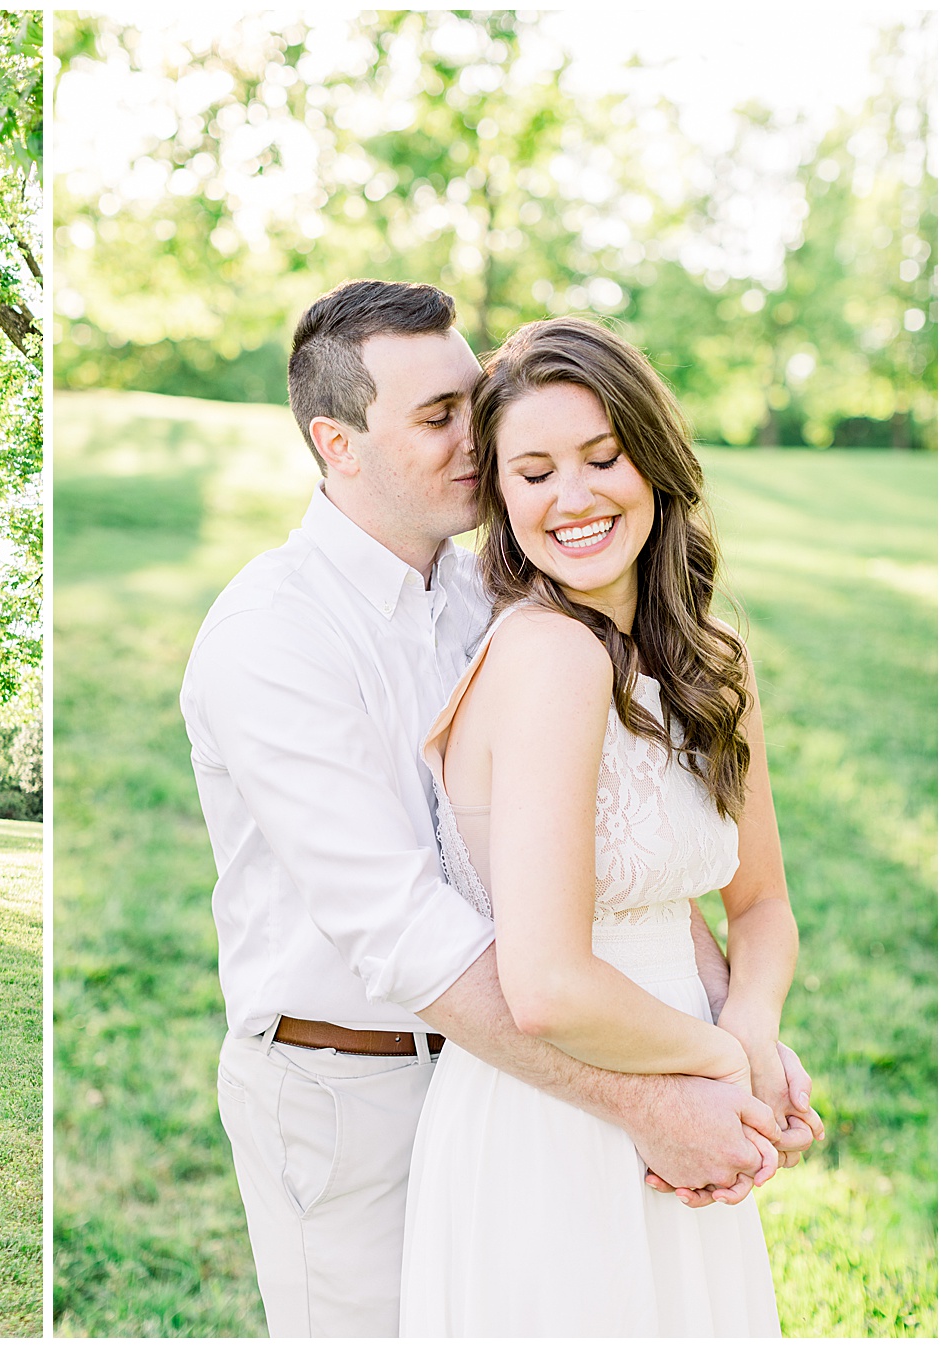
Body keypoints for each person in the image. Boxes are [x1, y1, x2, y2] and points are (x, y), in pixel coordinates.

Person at [179, 279, 823, 1336]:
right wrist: (666, 1093)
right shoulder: (271, 636)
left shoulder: (502, 593)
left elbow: (625, 857)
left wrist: (739, 1031)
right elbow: (407, 933)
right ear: (337, 444)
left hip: (542, 1064)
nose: (475, 443)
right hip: (355, 1083)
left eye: (473, 404)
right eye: (438, 419)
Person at [398, 317, 799, 1334]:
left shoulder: (709, 660)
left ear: (653, 463)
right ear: (502, 499)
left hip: (689, 1094)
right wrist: (718, 1072)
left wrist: (751, 1026)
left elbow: (758, 905)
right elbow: (546, 984)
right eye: (531, 473)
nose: (571, 498)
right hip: (560, 1125)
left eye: (601, 457)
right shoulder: (548, 657)